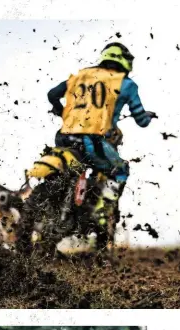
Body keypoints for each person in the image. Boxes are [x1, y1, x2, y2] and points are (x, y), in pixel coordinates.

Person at [47, 42, 156, 228]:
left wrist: (61, 112)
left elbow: (52, 94)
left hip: (63, 137)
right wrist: (146, 116)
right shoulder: (127, 84)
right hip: (92, 141)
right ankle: (101, 213)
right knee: (120, 169)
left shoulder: (81, 75)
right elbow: (142, 121)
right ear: (124, 61)